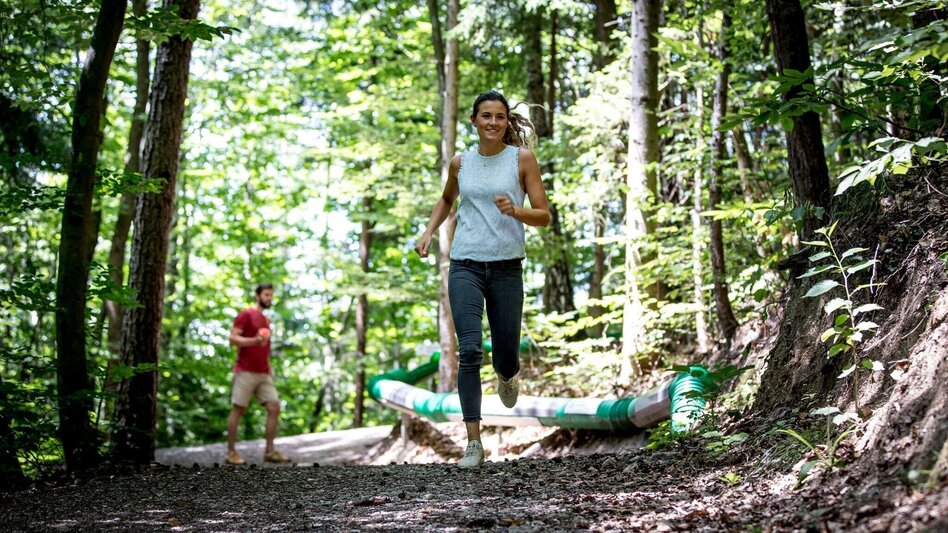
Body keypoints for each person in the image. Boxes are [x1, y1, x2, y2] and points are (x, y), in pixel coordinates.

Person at [414, 90, 551, 468]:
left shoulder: (521, 159)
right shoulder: (462, 162)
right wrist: (429, 231)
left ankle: (508, 373)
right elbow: (446, 199)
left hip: (507, 267)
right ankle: (473, 443)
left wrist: (516, 210)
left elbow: (544, 215)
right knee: (470, 350)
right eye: (486, 116)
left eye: (500, 117)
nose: (493, 122)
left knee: (505, 353)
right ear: (473, 120)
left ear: (507, 123)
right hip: (465, 265)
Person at [224, 282, 291, 465]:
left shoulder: (266, 321)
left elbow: (265, 348)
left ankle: (269, 451)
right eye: (266, 295)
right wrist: (254, 340)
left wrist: (269, 368)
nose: (269, 298)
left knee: (274, 407)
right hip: (245, 370)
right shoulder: (246, 314)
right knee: (239, 409)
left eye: (271, 295)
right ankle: (231, 453)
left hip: (263, 373)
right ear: (258, 295)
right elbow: (232, 339)